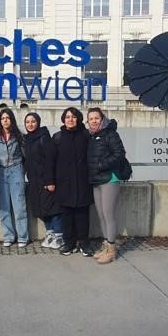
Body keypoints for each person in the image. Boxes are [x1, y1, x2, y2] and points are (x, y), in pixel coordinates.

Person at [86, 108, 127, 264]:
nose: (94, 121)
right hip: (96, 180)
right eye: (91, 119)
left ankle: (111, 250)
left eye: (97, 118)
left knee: (109, 215)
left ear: (102, 119)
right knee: (101, 215)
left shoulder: (110, 134)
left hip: (110, 179)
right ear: (88, 122)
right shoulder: (91, 136)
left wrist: (102, 164)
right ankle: (106, 245)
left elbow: (119, 154)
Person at [52, 106, 93, 257]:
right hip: (64, 183)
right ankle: (69, 243)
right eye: (68, 117)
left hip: (83, 181)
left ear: (79, 119)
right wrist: (50, 180)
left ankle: (84, 243)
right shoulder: (57, 137)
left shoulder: (86, 135)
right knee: (67, 215)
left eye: (73, 117)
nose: (70, 119)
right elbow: (51, 161)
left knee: (83, 214)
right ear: (63, 119)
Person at [22, 112, 63, 249]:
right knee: (42, 208)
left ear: (38, 122)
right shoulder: (27, 139)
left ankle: (59, 235)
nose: (30, 124)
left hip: (46, 180)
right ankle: (50, 232)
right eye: (27, 122)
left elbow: (50, 160)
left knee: (54, 209)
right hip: (34, 181)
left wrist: (50, 181)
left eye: (33, 121)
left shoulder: (44, 137)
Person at [0, 107, 29, 247]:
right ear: (0, 121)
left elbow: (26, 157)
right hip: (1, 172)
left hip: (16, 170)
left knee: (19, 206)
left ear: (11, 120)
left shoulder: (19, 137)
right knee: (3, 207)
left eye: (7, 118)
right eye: (2, 118)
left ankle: (23, 237)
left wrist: (22, 171)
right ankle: (8, 236)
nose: (5, 120)